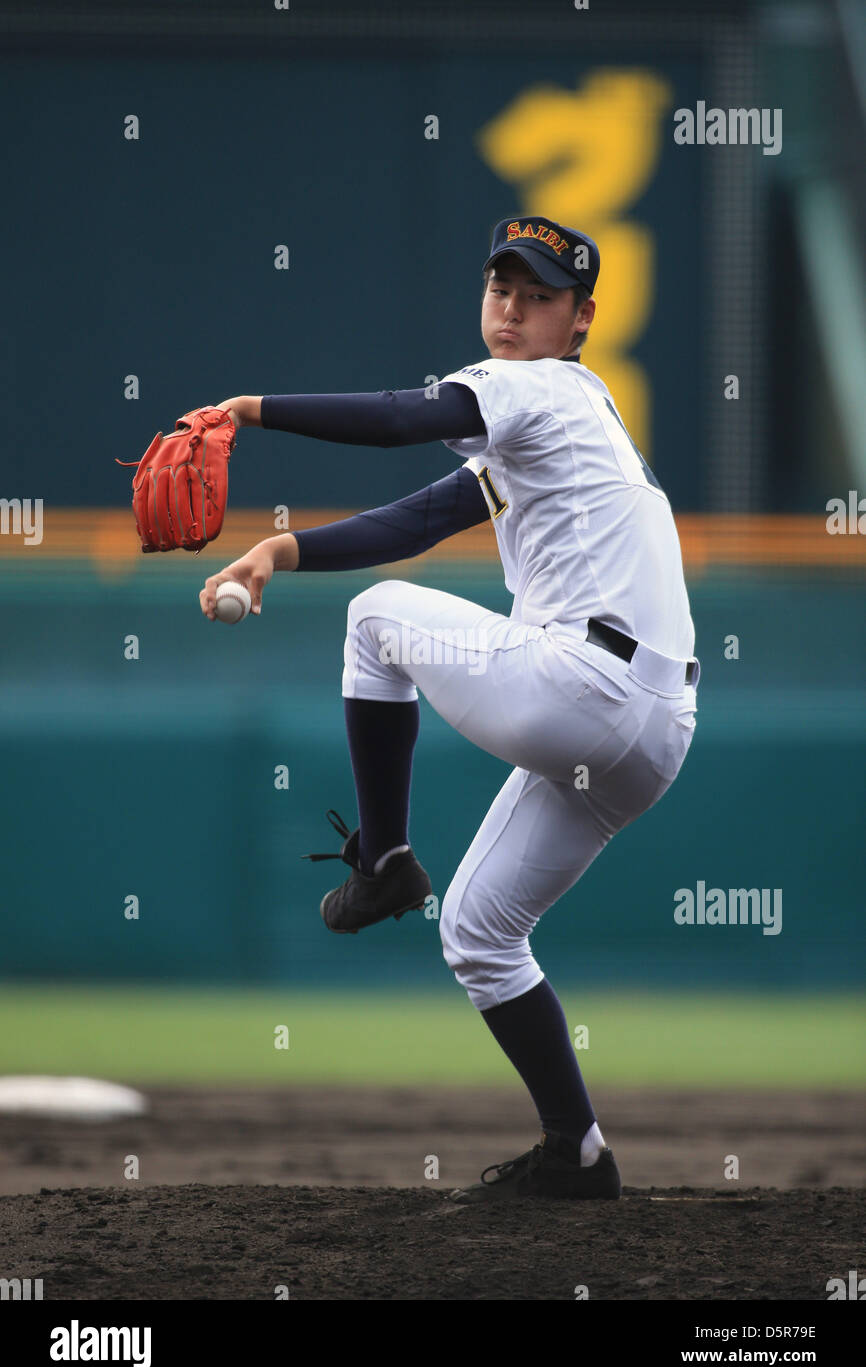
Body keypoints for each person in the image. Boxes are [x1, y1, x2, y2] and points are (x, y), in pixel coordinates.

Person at [199, 216, 700, 1203]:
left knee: (375, 619)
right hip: (648, 731)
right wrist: (276, 553)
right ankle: (576, 1152)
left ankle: (383, 859)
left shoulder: (534, 386)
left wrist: (250, 408)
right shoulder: (564, 414)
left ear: (579, 319)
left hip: (589, 683)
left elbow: (399, 416)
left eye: (538, 295)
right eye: (499, 287)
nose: (511, 309)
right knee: (476, 930)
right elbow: (422, 515)